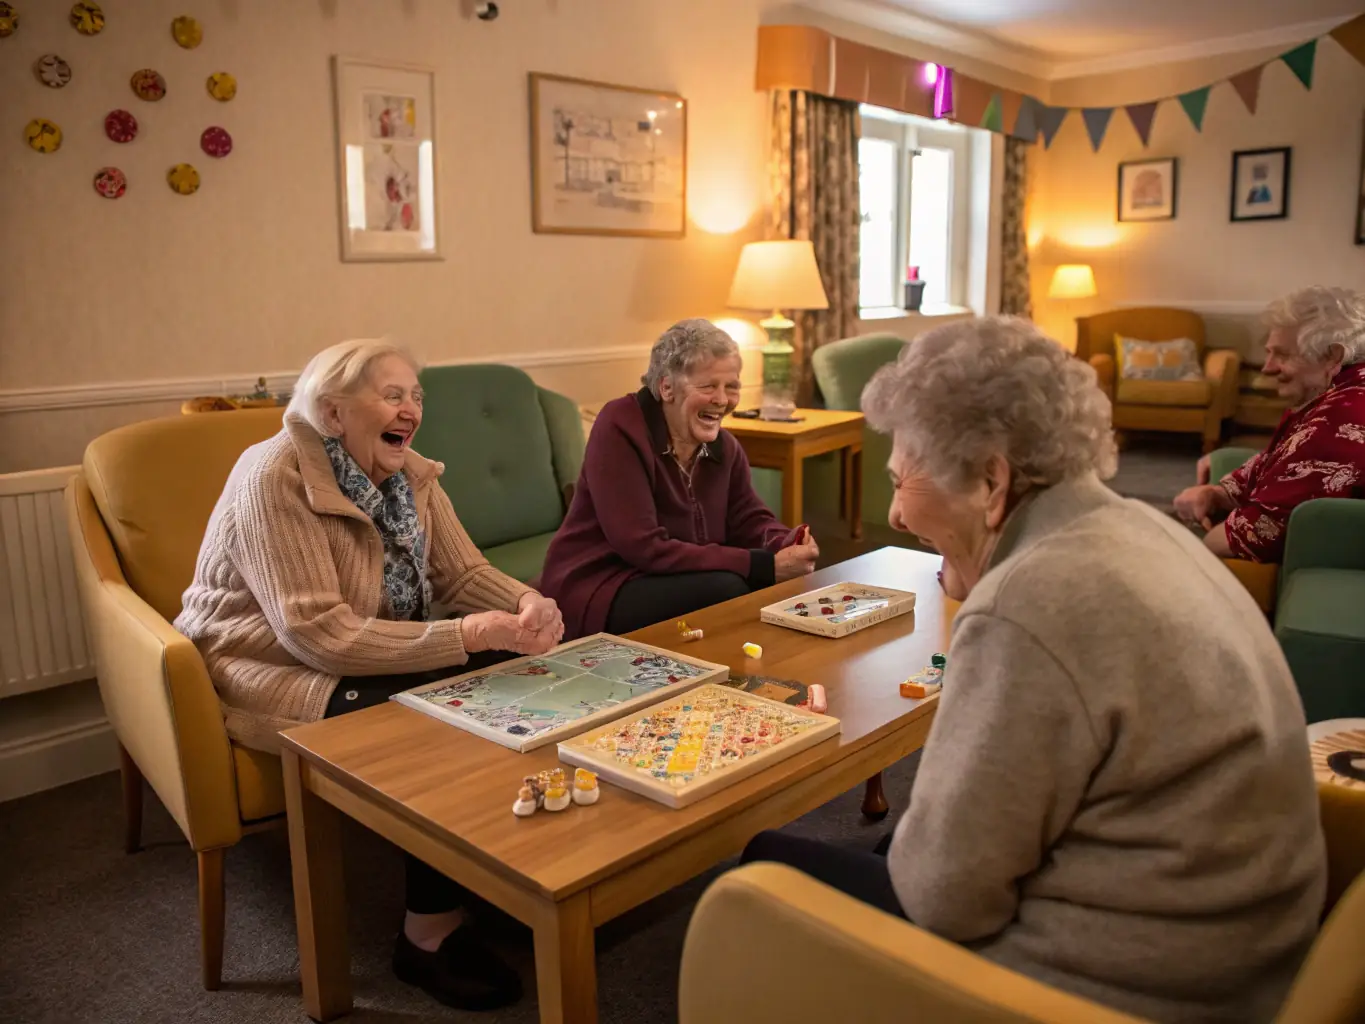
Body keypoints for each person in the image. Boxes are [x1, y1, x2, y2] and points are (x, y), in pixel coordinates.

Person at [738, 317, 1325, 1023]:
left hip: (1120, 991)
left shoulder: (1029, 600)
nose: (894, 512)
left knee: (762, 868)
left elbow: (943, 898)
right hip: (1244, 955)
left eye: (903, 480)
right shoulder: (1137, 528)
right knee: (898, 838)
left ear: (992, 479)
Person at [176, 339, 564, 1011]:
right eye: (392, 394)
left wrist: (524, 603)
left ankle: (492, 881)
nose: (410, 408)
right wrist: (465, 635)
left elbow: (462, 573)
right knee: (434, 724)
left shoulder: (410, 474)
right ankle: (426, 937)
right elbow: (317, 634)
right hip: (266, 664)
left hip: (360, 646)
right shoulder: (273, 476)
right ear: (331, 413)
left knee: (522, 676)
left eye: (415, 395)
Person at [540, 318, 819, 637]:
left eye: (732, 386)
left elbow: (748, 517)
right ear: (667, 387)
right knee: (727, 589)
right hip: (601, 585)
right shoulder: (619, 427)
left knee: (756, 590)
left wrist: (784, 541)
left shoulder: (724, 448)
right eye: (708, 386)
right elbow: (643, 547)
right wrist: (760, 564)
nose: (722, 400)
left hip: (674, 576)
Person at [1175, 286, 1365, 561]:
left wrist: (1188, 550)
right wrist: (1215, 493)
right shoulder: (1336, 394)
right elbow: (1276, 462)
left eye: (1283, 355)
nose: (1267, 368)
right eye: (1268, 353)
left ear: (1333, 356)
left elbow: (1249, 537)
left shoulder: (1341, 419)